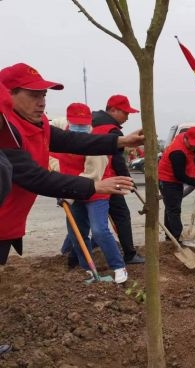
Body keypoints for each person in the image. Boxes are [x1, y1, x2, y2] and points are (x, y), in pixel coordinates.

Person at [0, 63, 144, 265]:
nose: (41, 103)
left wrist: (121, 141)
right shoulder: (6, 133)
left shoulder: (37, 124)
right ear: (7, 95)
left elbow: (72, 140)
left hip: (8, 222)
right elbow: (37, 178)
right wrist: (94, 186)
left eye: (43, 95)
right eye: (33, 95)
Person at [52, 103, 128, 283]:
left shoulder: (95, 143)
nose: (80, 127)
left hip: (96, 189)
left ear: (90, 122)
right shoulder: (61, 129)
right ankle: (87, 268)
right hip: (71, 189)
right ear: (69, 121)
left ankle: (118, 266)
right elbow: (47, 132)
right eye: (75, 124)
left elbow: (92, 176)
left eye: (83, 124)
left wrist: (66, 194)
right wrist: (58, 183)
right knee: (77, 233)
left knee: (99, 230)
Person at [92, 95, 145, 264]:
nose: (127, 117)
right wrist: (128, 180)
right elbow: (117, 160)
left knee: (86, 216)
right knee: (121, 215)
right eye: (125, 113)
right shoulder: (112, 130)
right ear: (113, 110)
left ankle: (73, 253)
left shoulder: (91, 122)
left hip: (87, 177)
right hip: (108, 178)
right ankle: (129, 254)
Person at [158, 126, 195, 242]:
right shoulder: (178, 152)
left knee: (170, 207)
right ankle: (177, 238)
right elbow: (179, 175)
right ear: (186, 139)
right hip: (167, 180)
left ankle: (170, 236)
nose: (194, 147)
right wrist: (194, 182)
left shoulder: (183, 135)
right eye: (192, 144)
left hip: (173, 179)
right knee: (174, 209)